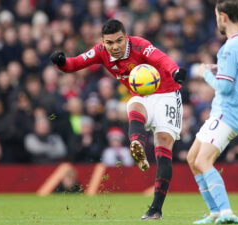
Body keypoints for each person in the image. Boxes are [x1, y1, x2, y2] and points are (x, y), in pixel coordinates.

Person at [50, 19, 186, 220]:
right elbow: (75, 63)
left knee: (163, 145)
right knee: (133, 105)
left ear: (126, 37)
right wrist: (61, 62)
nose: (114, 46)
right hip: (142, 95)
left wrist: (175, 70)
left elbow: (161, 59)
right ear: (103, 42)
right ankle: (137, 143)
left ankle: (156, 208)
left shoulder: (140, 45)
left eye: (119, 41)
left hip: (167, 94)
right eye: (109, 43)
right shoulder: (100, 51)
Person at [186, 1, 238, 224]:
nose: (216, 20)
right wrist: (224, 71)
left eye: (217, 15)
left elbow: (225, 87)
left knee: (203, 160)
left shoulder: (228, 48)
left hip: (226, 113)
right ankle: (215, 212)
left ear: (224, 17)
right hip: (233, 113)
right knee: (192, 158)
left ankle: (226, 212)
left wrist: (205, 74)